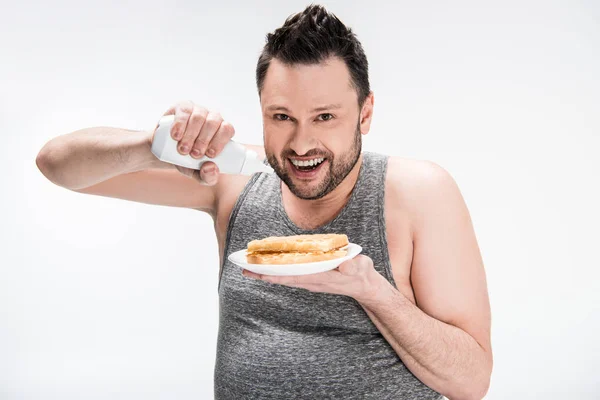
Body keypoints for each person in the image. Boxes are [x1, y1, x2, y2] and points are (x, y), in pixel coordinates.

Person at [35, 4, 492, 400]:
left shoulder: (418, 192)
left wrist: (372, 293)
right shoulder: (232, 178)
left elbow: (470, 381)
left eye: (325, 116)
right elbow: (56, 165)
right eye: (282, 117)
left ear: (365, 113)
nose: (301, 143)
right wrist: (152, 144)